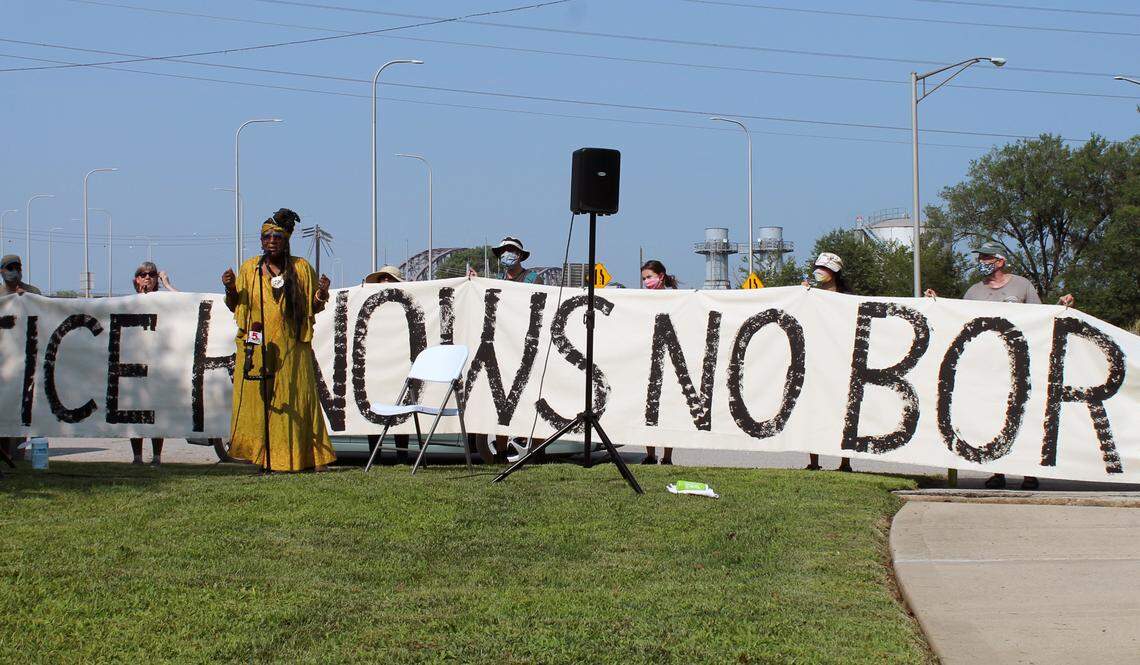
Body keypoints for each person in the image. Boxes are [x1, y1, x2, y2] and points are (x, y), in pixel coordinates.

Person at [925, 240, 1073, 491]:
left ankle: (1028, 473)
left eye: (986, 258)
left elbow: (1040, 318)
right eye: (980, 258)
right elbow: (960, 319)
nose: (981, 262)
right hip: (988, 366)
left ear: (1000, 261)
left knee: (1024, 415)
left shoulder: (1022, 285)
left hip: (1020, 363)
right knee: (993, 416)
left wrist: (1061, 307)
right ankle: (997, 471)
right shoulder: (973, 291)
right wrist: (937, 304)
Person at [221, 208, 336, 472]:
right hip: (258, 346)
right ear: (261, 241)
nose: (272, 241)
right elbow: (235, 305)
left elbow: (313, 308)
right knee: (262, 402)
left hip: (292, 347)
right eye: (267, 238)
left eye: (278, 237)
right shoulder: (250, 269)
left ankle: (306, 457)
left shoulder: (301, 268)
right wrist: (229, 287)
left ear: (286, 241)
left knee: (296, 399)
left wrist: (321, 294)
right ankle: (263, 457)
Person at [803, 252, 853, 473]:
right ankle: (813, 461)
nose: (819, 272)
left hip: (841, 361)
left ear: (834, 273)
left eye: (824, 269)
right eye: (818, 267)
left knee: (843, 412)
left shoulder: (847, 297)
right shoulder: (810, 294)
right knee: (813, 411)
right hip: (815, 360)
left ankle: (845, 462)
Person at [128, 261, 178, 465]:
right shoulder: (129, 301)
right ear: (136, 279)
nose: (147, 277)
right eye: (143, 274)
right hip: (134, 364)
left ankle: (157, 456)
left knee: (156, 411)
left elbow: (186, 305)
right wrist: (140, 297)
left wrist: (167, 285)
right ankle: (137, 457)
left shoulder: (164, 301)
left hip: (158, 364)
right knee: (134, 412)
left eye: (152, 274)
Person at [361, 265, 412, 463]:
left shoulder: (405, 306)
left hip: (400, 361)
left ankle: (402, 454)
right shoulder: (369, 306)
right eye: (382, 279)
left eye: (390, 279)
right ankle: (374, 454)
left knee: (401, 408)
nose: (385, 283)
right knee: (374, 408)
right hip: (376, 364)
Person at [1, 254, 40, 461]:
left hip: (25, 362)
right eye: (9, 267)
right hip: (3, 360)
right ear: (1, 271)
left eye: (16, 267)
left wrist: (27, 301)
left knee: (21, 410)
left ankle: (16, 453)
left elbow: (45, 314)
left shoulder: (32, 292)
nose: (13, 271)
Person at [640, 259, 679, 466]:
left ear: (660, 276)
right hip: (648, 357)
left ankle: (667, 456)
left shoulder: (675, 298)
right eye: (644, 278)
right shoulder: (642, 299)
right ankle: (650, 454)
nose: (647, 281)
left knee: (668, 410)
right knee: (648, 407)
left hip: (670, 358)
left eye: (650, 277)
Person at [468, 236, 544, 284]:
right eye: (502, 251)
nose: (506, 253)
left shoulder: (533, 280)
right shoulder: (498, 280)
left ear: (520, 255)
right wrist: (476, 281)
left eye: (510, 250)